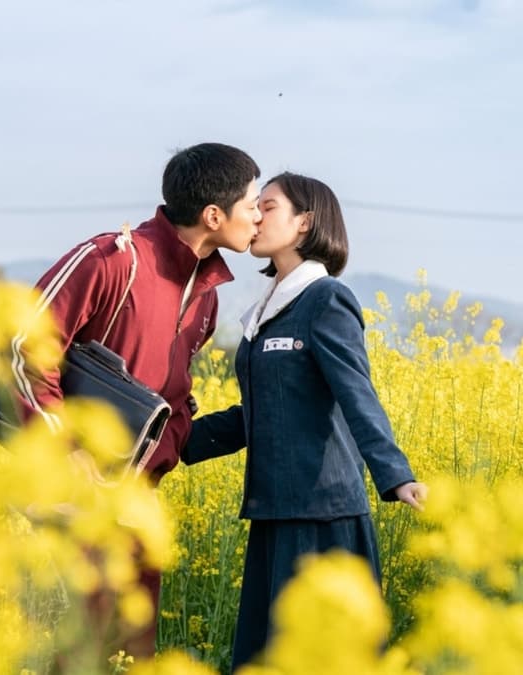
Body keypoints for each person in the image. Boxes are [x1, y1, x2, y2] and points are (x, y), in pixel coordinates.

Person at [0, 142, 263, 657]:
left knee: (126, 654)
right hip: (67, 497)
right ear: (214, 215)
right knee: (73, 650)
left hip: (136, 503)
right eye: (252, 203)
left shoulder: (206, 296)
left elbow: (175, 390)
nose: (258, 216)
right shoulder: (112, 259)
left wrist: (176, 438)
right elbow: (23, 348)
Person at [180, 172, 428, 672]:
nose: (253, 216)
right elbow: (264, 413)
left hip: (323, 515)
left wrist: (395, 473)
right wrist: (177, 440)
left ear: (303, 224)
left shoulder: (324, 300)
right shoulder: (265, 312)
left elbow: (356, 394)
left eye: (266, 207)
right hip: (273, 514)